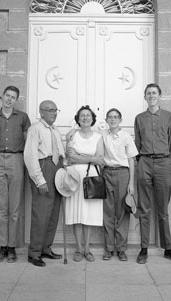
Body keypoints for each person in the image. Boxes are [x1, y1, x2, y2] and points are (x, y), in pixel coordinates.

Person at [134, 83, 171, 264]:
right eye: (148, 93)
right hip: (145, 163)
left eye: (154, 93)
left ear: (160, 96)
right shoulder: (139, 118)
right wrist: (141, 162)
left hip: (164, 163)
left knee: (163, 210)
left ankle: (168, 249)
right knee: (144, 208)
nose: (151, 96)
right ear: (145, 97)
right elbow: (137, 143)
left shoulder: (169, 117)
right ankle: (144, 248)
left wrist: (168, 162)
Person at [0, 86, 31, 263]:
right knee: (0, 206)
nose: (9, 99)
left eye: (13, 97)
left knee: (15, 205)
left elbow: (28, 141)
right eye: (7, 95)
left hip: (16, 159)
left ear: (16, 100)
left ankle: (12, 247)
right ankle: (2, 246)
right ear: (2, 96)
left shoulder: (22, 118)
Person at [24, 100, 65, 267]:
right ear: (41, 112)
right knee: (41, 213)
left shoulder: (55, 130)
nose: (54, 113)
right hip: (44, 168)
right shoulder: (35, 129)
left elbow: (60, 151)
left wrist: (65, 169)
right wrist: (39, 180)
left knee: (54, 212)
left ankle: (46, 248)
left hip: (57, 169)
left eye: (56, 110)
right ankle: (34, 252)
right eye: (50, 110)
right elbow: (30, 156)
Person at [65, 105, 104, 262]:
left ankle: (88, 249)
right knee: (76, 213)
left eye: (88, 115)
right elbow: (70, 157)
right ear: (78, 119)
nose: (85, 117)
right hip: (74, 176)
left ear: (92, 118)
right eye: (82, 115)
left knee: (88, 213)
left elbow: (100, 158)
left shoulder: (98, 137)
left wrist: (81, 155)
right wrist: (90, 157)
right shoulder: (72, 136)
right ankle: (79, 249)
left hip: (91, 177)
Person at [102, 108, 138, 261]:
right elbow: (87, 136)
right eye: (110, 117)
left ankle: (121, 249)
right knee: (108, 212)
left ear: (120, 120)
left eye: (116, 117)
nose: (113, 119)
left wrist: (131, 183)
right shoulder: (102, 136)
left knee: (122, 212)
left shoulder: (126, 136)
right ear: (106, 120)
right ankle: (109, 248)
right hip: (107, 174)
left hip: (123, 174)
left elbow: (131, 160)